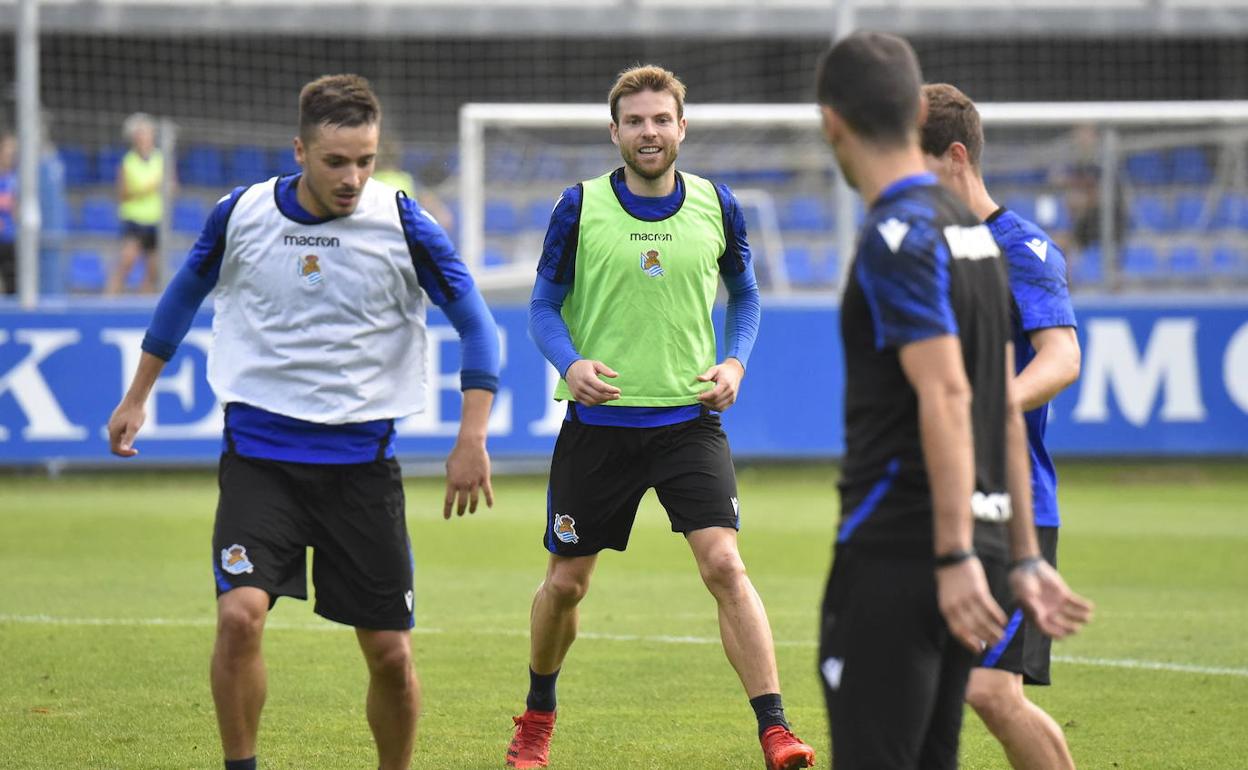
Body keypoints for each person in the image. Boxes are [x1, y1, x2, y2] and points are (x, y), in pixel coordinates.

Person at [106, 74, 500, 770]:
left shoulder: (404, 222)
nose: (353, 178)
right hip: (261, 462)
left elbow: (478, 325)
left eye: (366, 160)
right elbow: (181, 298)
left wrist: (472, 435)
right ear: (300, 151)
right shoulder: (242, 214)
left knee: (390, 654)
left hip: (361, 470)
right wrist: (137, 396)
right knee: (239, 617)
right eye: (335, 161)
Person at [505, 64, 815, 770]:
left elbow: (747, 296)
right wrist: (570, 365)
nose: (649, 132)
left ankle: (776, 730)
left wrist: (734, 363)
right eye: (635, 121)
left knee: (725, 564)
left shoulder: (717, 204)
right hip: (600, 430)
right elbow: (543, 307)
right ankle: (538, 715)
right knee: (566, 585)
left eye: (661, 120)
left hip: (687, 425)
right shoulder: (578, 206)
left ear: (682, 127)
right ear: (615, 132)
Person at [813, 32, 1093, 770]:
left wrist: (954, 551)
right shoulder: (973, 238)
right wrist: (1020, 555)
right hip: (982, 536)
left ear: (832, 121)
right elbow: (996, 399)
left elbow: (947, 393)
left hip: (901, 544)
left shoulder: (898, 236)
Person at [920, 82, 1083, 770]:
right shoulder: (925, 249)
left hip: (1011, 502)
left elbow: (1062, 357)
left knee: (990, 690)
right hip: (934, 499)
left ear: (956, 157)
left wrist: (993, 405)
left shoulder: (1021, 247)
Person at [107, 112, 167, 295]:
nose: (145, 137)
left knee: (153, 269)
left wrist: (166, 188)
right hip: (134, 219)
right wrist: (147, 189)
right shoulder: (128, 162)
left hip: (155, 219)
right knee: (127, 261)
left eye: (147, 133)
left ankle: (144, 301)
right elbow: (123, 194)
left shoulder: (161, 159)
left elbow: (172, 186)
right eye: (141, 133)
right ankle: (109, 299)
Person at [0, 133, 17, 294]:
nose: (10, 154)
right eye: (7, 149)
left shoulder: (16, 179)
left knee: (12, 284)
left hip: (10, 239)